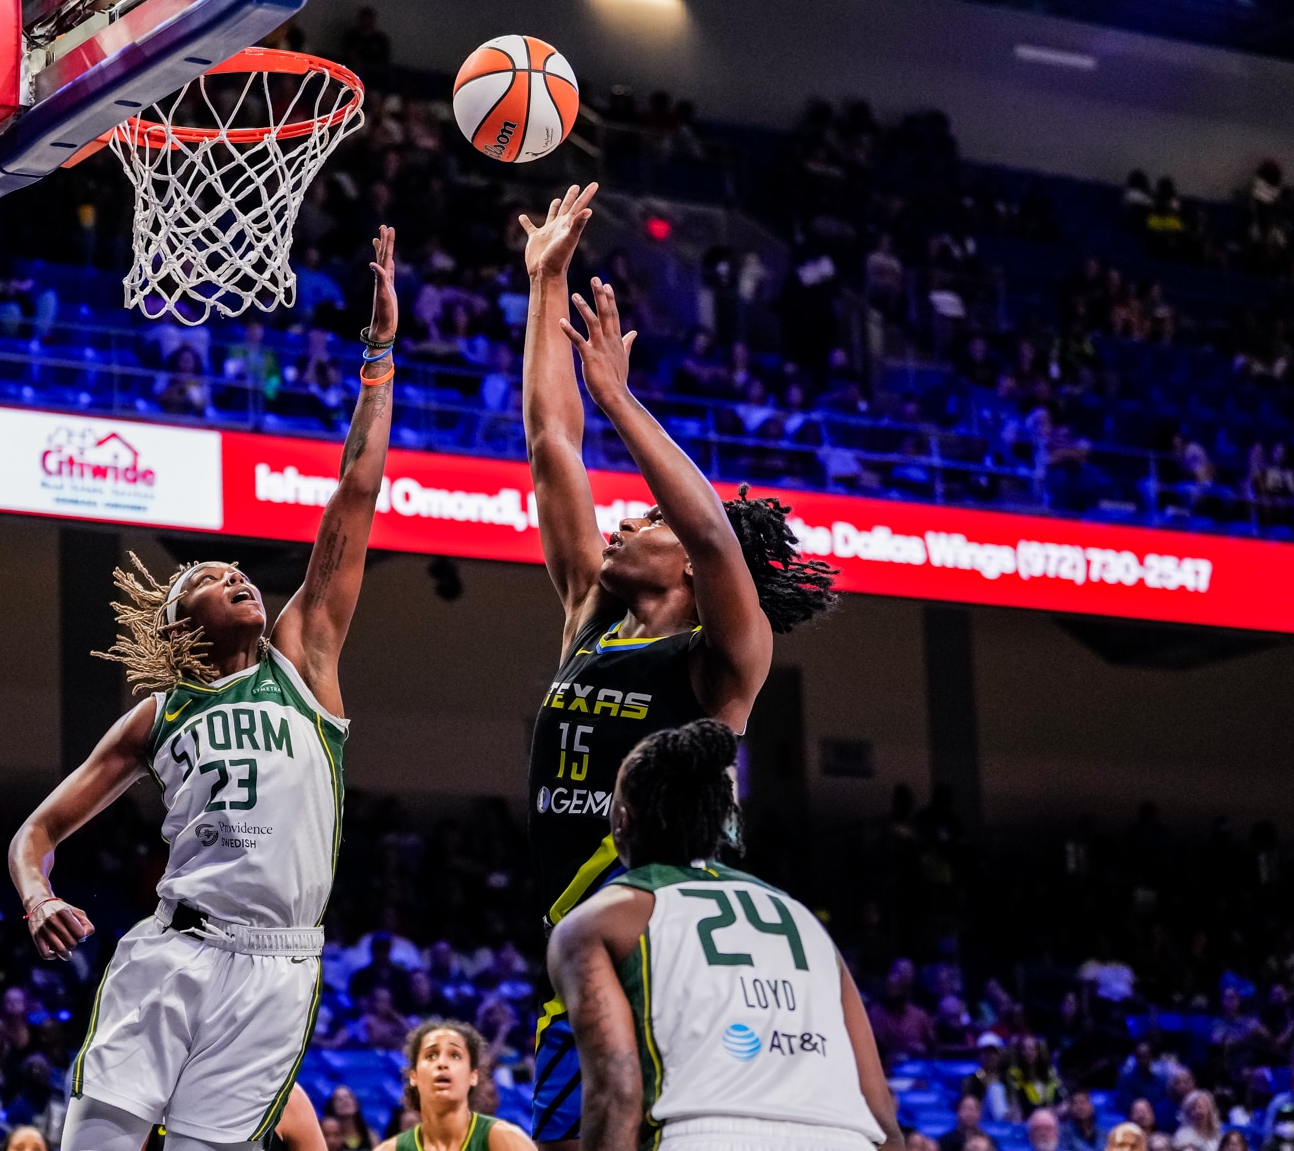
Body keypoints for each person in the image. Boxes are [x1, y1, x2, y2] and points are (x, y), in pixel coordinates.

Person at [7, 227, 402, 1151]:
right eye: (212, 579)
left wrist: (378, 359)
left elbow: (354, 494)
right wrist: (36, 897)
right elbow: (36, 834)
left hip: (282, 968)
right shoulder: (160, 713)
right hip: (176, 950)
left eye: (240, 572)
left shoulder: (303, 663)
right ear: (183, 625)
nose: (238, 578)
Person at [518, 184, 839, 1149]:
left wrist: (620, 397)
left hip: (682, 955)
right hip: (582, 950)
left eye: (647, 519)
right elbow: (551, 444)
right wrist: (545, 284)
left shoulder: (724, 659)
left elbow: (712, 533)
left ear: (695, 573)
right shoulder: (590, 617)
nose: (624, 519)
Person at [546, 720, 904, 1151]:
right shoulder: (801, 918)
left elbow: (616, 1094)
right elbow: (881, 1115)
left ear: (621, 821)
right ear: (721, 821)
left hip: (702, 1133)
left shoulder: (596, 921)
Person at [370, 1021, 533, 1151]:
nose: (442, 1063)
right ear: (414, 1076)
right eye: (431, 1056)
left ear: (473, 1076)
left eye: (455, 1056)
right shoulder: (392, 1148)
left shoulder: (506, 1139)